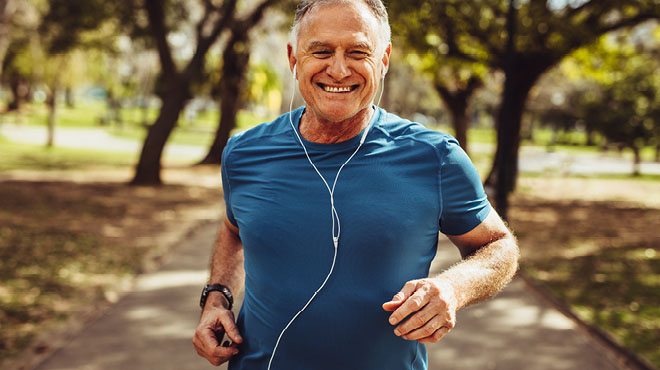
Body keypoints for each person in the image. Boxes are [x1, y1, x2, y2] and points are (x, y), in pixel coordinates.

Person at [193, 0, 519, 369]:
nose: (338, 69)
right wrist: (216, 298)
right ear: (293, 58)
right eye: (321, 51)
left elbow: (499, 246)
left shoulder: (435, 157)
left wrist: (453, 289)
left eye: (357, 52)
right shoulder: (244, 152)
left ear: (384, 59)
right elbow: (234, 229)